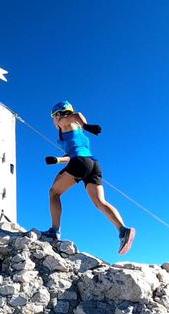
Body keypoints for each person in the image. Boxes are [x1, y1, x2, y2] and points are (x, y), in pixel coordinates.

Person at [42, 100, 136, 255]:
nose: (53, 120)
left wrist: (87, 126)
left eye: (53, 117)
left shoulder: (63, 122)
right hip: (93, 164)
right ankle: (123, 230)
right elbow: (73, 153)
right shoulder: (76, 131)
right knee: (100, 202)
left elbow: (76, 115)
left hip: (80, 162)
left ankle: (54, 231)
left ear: (58, 114)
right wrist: (58, 160)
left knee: (54, 193)